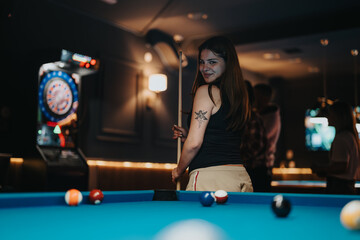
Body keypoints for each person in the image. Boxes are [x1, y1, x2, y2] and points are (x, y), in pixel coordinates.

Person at [171, 36, 253, 192]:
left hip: (210, 178)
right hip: (241, 178)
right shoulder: (239, 98)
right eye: (202, 62)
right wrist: (188, 135)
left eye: (212, 62)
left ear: (228, 64)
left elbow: (194, 144)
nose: (204, 68)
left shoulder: (206, 91)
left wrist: (178, 170)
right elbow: (221, 136)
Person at [312, 101, 360, 194]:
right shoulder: (350, 136)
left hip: (339, 187)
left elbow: (341, 166)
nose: (327, 118)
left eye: (330, 114)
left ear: (339, 117)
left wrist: (320, 168)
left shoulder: (341, 138)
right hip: (348, 186)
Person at [241, 81, 269, 192]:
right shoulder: (240, 118)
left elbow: (254, 149)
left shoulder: (253, 117)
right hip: (247, 171)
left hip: (256, 173)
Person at [253, 83, 281, 184]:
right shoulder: (260, 114)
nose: (254, 99)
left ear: (266, 97)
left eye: (256, 95)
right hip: (258, 165)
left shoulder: (271, 115)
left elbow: (260, 138)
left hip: (262, 165)